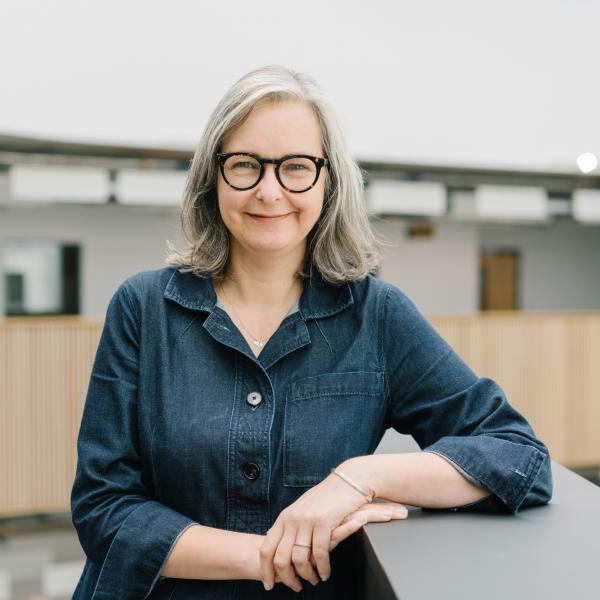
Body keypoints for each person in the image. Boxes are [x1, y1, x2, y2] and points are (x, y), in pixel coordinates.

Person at [70, 65, 552, 600]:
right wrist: (270, 557)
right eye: (246, 165)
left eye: (296, 167)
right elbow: (104, 507)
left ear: (328, 180)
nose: (270, 191)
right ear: (214, 176)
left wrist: (357, 477)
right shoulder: (143, 308)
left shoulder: (377, 315)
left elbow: (518, 457)